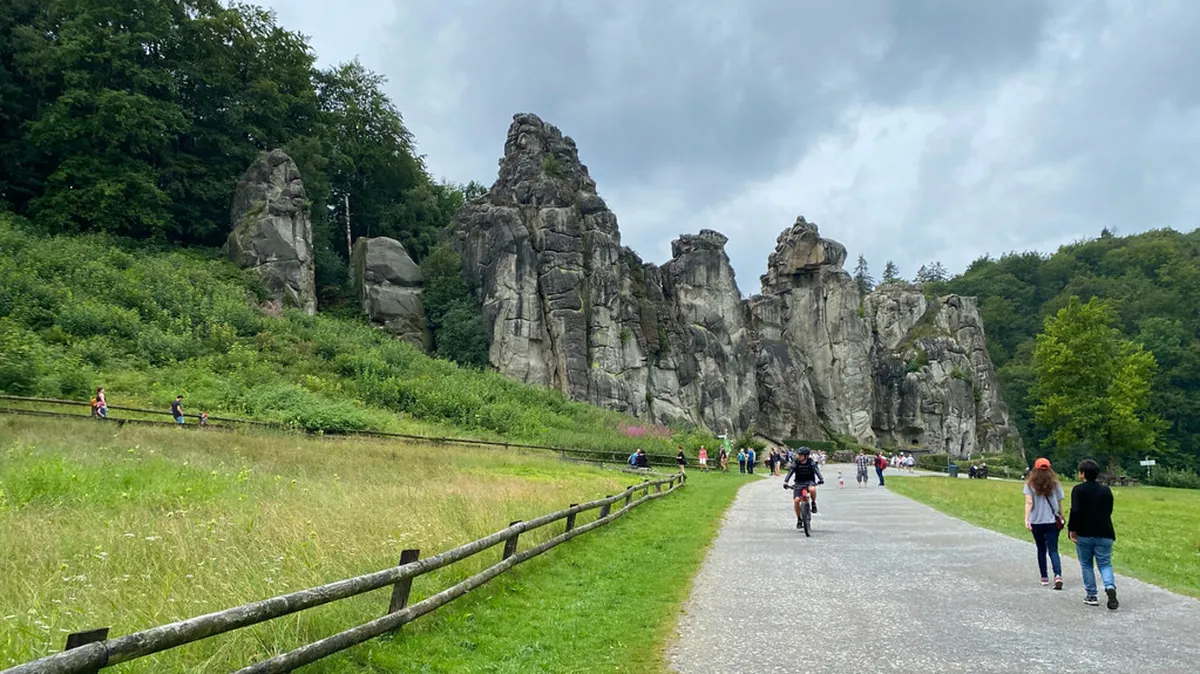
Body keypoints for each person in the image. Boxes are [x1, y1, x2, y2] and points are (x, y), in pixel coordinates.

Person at [1069, 458, 1118, 610]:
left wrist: (1072, 529)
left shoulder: (1078, 490)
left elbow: (1075, 511)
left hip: (1084, 532)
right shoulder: (1105, 490)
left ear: (1082, 474)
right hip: (1105, 531)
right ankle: (1110, 586)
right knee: (1105, 563)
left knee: (1086, 564)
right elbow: (1109, 509)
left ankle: (1091, 595)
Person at [1023, 457, 1065, 589]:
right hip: (1052, 520)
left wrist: (1027, 519)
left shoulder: (1030, 484)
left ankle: (1044, 577)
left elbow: (1029, 502)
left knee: (1041, 549)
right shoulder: (1055, 484)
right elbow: (1059, 502)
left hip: (1036, 521)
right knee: (1053, 549)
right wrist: (1061, 515)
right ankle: (1057, 575)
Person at [783, 447, 825, 526]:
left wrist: (821, 479)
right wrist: (786, 481)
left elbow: (816, 471)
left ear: (805, 456)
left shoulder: (810, 462)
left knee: (812, 489)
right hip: (799, 483)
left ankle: (813, 503)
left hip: (809, 481)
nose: (798, 456)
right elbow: (791, 472)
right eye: (798, 454)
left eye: (800, 455)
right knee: (796, 501)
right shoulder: (796, 462)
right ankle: (799, 519)